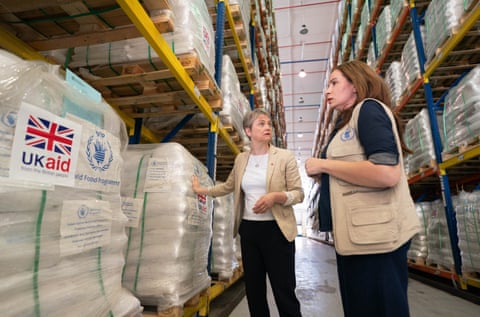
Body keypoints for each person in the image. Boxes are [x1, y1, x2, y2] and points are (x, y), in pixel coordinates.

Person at [304, 60, 421, 317]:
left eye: (334, 83)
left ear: (355, 85)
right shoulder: (346, 123)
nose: (328, 90)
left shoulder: (368, 110)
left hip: (377, 240)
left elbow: (386, 173)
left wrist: (324, 164)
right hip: (359, 237)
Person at [192, 108, 304, 317]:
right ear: (248, 131)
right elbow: (228, 186)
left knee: (284, 290)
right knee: (254, 290)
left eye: (269, 123)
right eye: (261, 123)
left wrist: (275, 197)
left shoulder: (284, 157)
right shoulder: (242, 159)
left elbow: (298, 194)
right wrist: (202, 190)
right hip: (250, 231)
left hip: (277, 231)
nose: (268, 127)